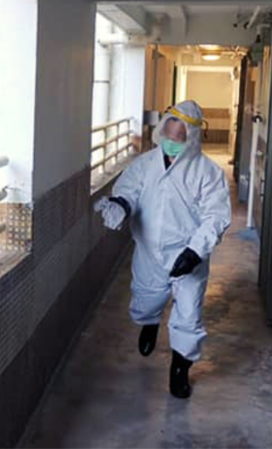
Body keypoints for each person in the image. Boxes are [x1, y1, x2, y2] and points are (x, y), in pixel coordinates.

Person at [93, 100, 231, 399]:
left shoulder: (208, 173)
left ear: (192, 140)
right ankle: (149, 323)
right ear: (160, 133)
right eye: (167, 136)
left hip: (188, 255)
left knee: (188, 316)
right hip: (149, 251)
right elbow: (128, 189)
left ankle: (180, 368)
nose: (171, 143)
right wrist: (120, 204)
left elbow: (216, 216)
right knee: (145, 299)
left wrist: (195, 252)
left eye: (178, 139)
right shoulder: (144, 164)